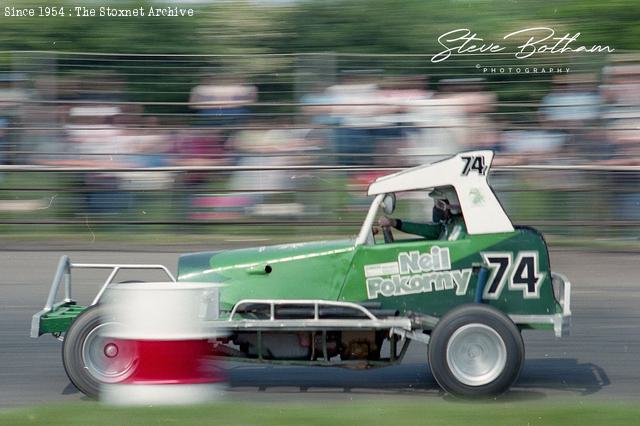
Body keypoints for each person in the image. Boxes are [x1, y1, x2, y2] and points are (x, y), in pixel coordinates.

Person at [378, 188, 467, 241]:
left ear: (453, 204)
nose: (436, 208)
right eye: (436, 203)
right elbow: (424, 227)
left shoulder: (462, 227)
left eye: (440, 204)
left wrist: (394, 222)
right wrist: (394, 222)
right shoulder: (447, 224)